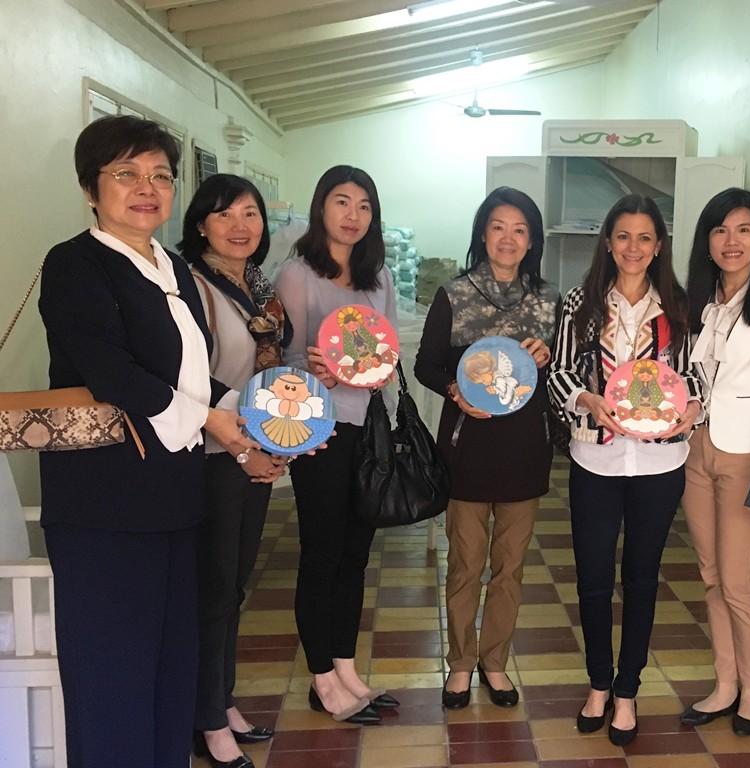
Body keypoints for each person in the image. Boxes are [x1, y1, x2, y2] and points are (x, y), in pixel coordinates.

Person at [37, 115, 255, 768]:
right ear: (90, 187)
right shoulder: (75, 264)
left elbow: (189, 375)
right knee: (112, 675)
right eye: (126, 173)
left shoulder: (171, 267)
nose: (147, 187)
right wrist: (213, 421)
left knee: (169, 667)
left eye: (160, 174)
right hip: (104, 509)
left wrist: (253, 418)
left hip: (173, 500)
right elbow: (113, 373)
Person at [548, 194, 703, 746]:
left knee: (641, 579)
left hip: (661, 461)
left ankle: (628, 689)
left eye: (644, 238)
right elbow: (560, 374)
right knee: (592, 581)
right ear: (607, 242)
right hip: (595, 457)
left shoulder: (681, 307)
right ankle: (597, 684)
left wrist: (690, 412)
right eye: (622, 237)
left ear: (658, 245)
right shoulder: (579, 304)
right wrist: (589, 399)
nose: (633, 248)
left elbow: (698, 377)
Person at [414, 187, 559, 710]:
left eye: (520, 230)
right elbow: (426, 364)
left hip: (524, 450)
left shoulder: (549, 300)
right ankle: (459, 664)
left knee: (510, 568)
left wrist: (546, 354)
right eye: (499, 226)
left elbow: (562, 374)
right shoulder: (454, 294)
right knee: (465, 565)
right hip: (467, 448)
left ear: (531, 240)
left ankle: (494, 663)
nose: (508, 238)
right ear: (483, 232)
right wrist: (456, 390)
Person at [275, 165, 398, 725]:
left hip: (368, 429)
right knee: (321, 553)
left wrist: (385, 401)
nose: (353, 215)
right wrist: (315, 368)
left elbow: (389, 354)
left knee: (355, 554)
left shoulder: (380, 278)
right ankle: (321, 678)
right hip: (320, 432)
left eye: (364, 206)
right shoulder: (298, 274)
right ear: (320, 207)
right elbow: (283, 359)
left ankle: (346, 669)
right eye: (341, 202)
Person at [179, 174, 292, 767]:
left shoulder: (257, 286)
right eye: (226, 215)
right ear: (201, 223)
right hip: (213, 453)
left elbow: (275, 367)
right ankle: (205, 718)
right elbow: (190, 375)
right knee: (215, 590)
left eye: (251, 214)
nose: (241, 226)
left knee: (235, 585)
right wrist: (246, 427)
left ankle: (220, 702)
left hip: (255, 446)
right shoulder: (189, 282)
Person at [678, 188, 750, 735]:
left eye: (744, 229)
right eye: (721, 230)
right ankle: (724, 682)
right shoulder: (702, 299)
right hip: (697, 447)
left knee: (739, 579)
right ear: (708, 239)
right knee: (709, 574)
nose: (732, 241)